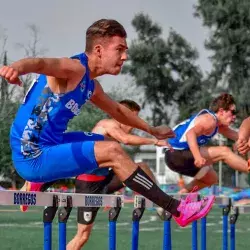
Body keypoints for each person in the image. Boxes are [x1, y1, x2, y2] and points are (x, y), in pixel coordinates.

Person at [0, 18, 215, 228]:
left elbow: (118, 110)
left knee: (103, 142)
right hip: (31, 154)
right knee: (112, 150)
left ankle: (43, 183)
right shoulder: (74, 68)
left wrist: (152, 129)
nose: (125, 56)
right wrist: (16, 68)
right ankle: (176, 209)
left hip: (49, 145)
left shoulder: (90, 86)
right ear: (99, 50)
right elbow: (40, 63)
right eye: (120, 49)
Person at [165, 93, 250, 193]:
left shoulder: (219, 125)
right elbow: (190, 134)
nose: (234, 117)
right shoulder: (210, 120)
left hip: (174, 158)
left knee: (211, 178)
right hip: (176, 153)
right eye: (233, 112)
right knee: (224, 151)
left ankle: (179, 197)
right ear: (221, 111)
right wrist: (197, 157)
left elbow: (240, 137)